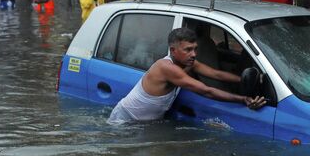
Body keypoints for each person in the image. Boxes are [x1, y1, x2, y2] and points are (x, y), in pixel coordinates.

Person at [108, 27, 266, 124]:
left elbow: (216, 74)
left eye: (195, 49)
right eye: (188, 50)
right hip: (126, 119)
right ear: (173, 50)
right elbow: (206, 90)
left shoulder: (188, 63)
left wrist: (248, 79)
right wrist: (243, 99)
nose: (193, 54)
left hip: (147, 122)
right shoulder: (165, 67)